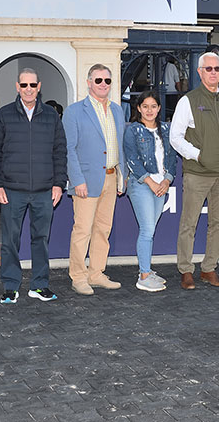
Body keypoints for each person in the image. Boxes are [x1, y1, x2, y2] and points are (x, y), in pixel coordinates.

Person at [0, 68, 66, 304]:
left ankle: (39, 285)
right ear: (17, 86)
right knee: (10, 240)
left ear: (39, 86)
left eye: (32, 85)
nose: (28, 89)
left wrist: (59, 184)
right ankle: (10, 286)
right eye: (24, 85)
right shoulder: (4, 115)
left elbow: (60, 152)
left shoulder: (51, 116)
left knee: (40, 239)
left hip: (44, 190)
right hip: (12, 191)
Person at [170, 52, 219, 290]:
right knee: (188, 223)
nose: (213, 72)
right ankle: (185, 270)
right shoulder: (188, 101)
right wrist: (198, 155)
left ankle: (209, 268)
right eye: (208, 69)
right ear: (200, 72)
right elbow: (175, 137)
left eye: (217, 69)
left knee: (218, 223)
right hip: (197, 173)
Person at [63, 65, 128, 296]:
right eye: (98, 80)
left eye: (107, 81)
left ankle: (96, 273)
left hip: (111, 178)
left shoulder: (118, 111)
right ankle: (78, 277)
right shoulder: (74, 112)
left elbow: (120, 146)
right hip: (86, 181)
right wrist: (76, 179)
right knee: (82, 231)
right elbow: (69, 149)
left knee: (103, 229)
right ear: (89, 82)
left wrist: (123, 175)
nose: (103, 84)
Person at [123, 91, 178, 292]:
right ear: (138, 108)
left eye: (153, 106)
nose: (149, 110)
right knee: (147, 230)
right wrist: (150, 182)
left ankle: (146, 269)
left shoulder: (166, 128)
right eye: (145, 106)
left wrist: (167, 180)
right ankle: (144, 275)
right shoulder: (133, 130)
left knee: (151, 230)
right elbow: (132, 159)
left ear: (159, 108)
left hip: (161, 185)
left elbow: (172, 159)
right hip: (141, 185)